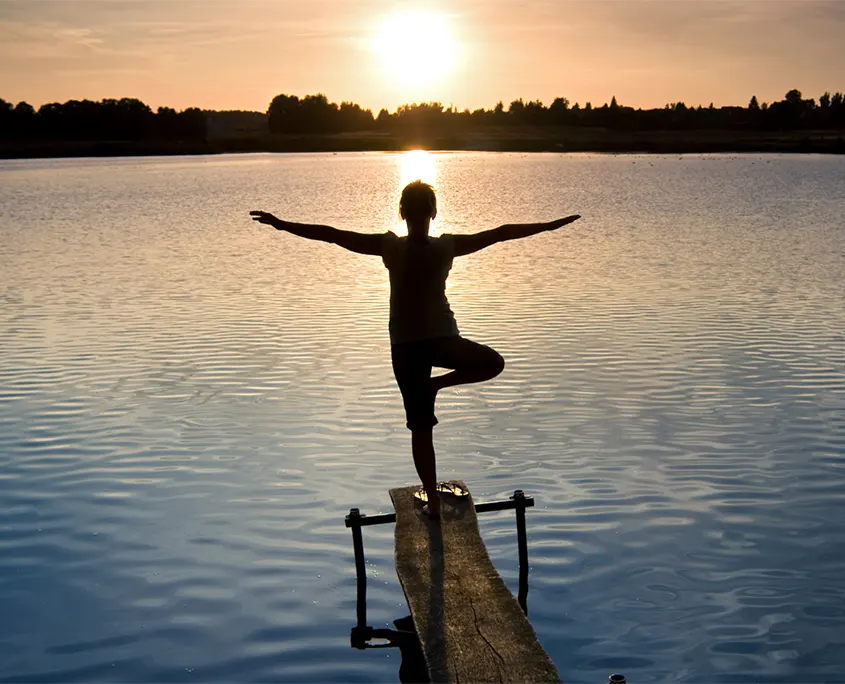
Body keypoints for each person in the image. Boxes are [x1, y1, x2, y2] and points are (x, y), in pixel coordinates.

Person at [250, 180, 580, 519]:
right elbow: (500, 232)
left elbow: (331, 234)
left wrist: (281, 224)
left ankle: (434, 504)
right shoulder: (445, 247)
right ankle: (436, 388)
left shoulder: (389, 247)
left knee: (421, 428)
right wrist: (548, 226)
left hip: (406, 348)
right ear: (434, 213)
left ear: (402, 213)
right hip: (442, 341)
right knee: (492, 363)